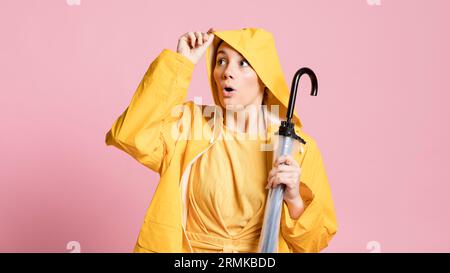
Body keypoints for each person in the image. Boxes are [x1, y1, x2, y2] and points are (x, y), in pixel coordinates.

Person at [105, 27, 338, 253]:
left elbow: (314, 242)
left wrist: (295, 198)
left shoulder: (296, 149)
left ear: (264, 78)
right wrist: (181, 64)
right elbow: (130, 134)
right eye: (221, 61)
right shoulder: (189, 124)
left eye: (243, 63)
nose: (227, 71)